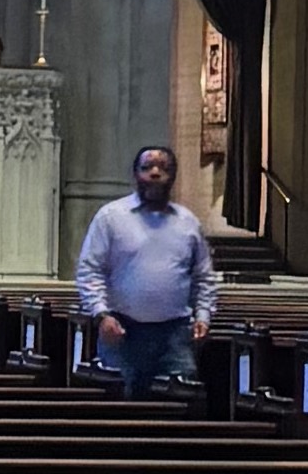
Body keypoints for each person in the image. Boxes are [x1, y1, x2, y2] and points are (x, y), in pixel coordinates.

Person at [74, 139, 216, 391]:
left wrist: (203, 315)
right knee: (119, 409)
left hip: (174, 335)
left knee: (181, 406)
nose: (155, 173)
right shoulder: (111, 217)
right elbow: (90, 270)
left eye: (163, 168)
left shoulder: (188, 223)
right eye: (147, 167)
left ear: (173, 176)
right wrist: (101, 314)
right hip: (121, 331)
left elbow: (203, 277)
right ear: (135, 174)